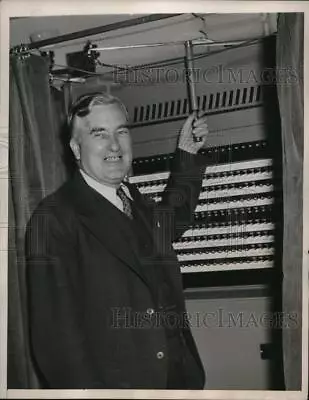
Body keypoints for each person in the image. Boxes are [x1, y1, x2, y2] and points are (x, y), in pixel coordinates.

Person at [25, 92, 209, 389]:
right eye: (99, 134)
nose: (114, 145)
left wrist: (187, 152)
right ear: (75, 147)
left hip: (179, 382)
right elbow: (56, 346)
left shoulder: (133, 200)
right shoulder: (54, 219)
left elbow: (170, 221)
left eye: (121, 132)